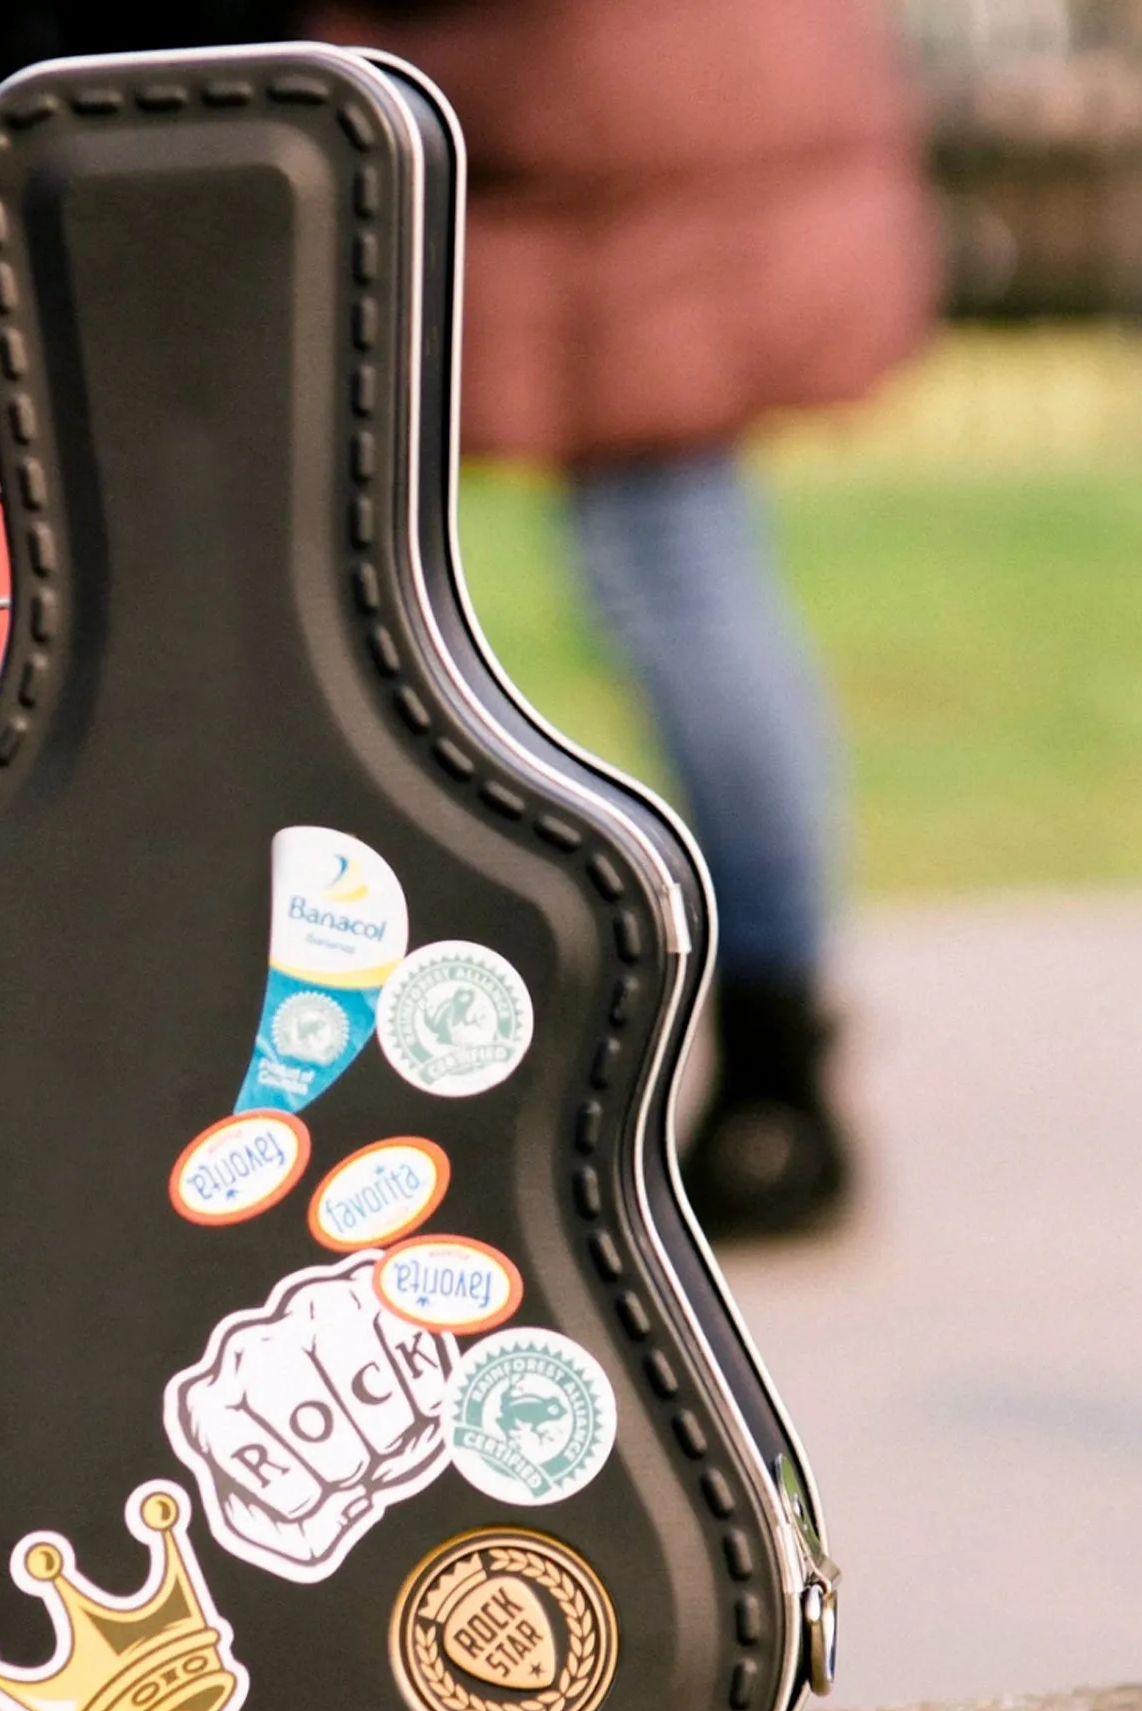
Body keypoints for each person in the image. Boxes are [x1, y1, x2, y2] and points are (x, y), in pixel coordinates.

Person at [315, 0, 937, 1237]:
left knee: (669, 571)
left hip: (629, 135)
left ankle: (773, 1074)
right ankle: (774, 1049)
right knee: (676, 564)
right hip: (683, 114)